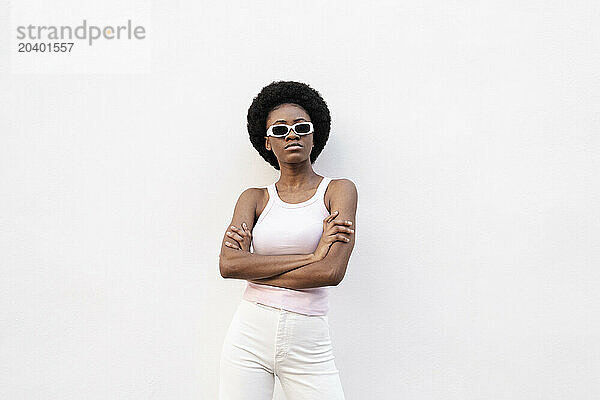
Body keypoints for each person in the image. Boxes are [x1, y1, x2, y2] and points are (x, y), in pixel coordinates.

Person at [218, 81, 358, 399]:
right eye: (279, 130)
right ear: (267, 142)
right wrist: (311, 257)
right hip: (248, 336)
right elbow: (228, 264)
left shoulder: (338, 190)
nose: (291, 134)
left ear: (313, 135)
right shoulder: (252, 199)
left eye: (301, 127)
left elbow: (331, 273)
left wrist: (253, 265)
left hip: (309, 342)